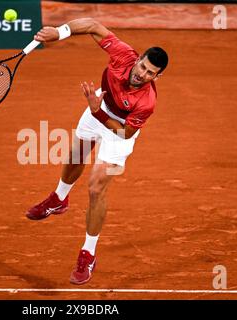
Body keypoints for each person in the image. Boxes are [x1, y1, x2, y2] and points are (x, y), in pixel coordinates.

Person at [26, 17, 168, 285]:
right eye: (143, 67)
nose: (142, 74)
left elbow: (125, 133)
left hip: (119, 128)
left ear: (157, 76)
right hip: (99, 108)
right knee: (75, 156)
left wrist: (96, 111)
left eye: (151, 73)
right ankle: (59, 198)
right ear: (138, 59)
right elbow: (92, 25)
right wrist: (60, 32)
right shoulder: (123, 54)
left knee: (96, 188)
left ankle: (88, 253)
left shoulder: (147, 102)